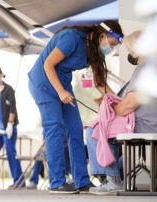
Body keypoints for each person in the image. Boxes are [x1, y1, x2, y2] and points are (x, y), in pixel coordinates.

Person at [28, 20, 124, 194]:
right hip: (44, 83)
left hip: (63, 85)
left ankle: (82, 181)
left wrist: (118, 101)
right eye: (111, 44)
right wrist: (60, 91)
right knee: (55, 129)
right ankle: (57, 183)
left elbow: (100, 83)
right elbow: (48, 65)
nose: (111, 49)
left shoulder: (95, 51)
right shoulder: (71, 39)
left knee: (76, 129)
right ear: (102, 35)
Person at [86, 30, 157, 195]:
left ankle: (113, 182)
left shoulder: (146, 68)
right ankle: (113, 178)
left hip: (144, 125)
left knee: (94, 130)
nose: (131, 55)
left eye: (131, 51)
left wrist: (110, 114)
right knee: (106, 134)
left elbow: (131, 103)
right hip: (152, 124)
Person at [0, 65, 24, 189]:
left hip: (7, 128)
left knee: (11, 153)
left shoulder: (9, 90)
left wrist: (10, 124)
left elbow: (12, 107)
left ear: (0, 75)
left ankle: (19, 181)